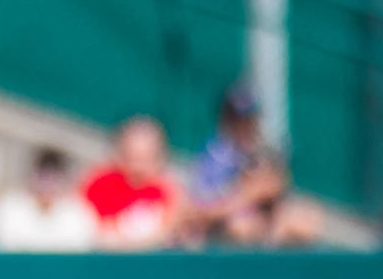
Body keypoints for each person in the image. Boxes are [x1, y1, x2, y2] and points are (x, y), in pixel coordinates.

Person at [182, 84, 321, 247]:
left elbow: (276, 185)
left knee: (304, 221)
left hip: (263, 219)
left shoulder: (262, 151)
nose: (244, 125)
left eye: (249, 119)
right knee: (241, 227)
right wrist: (249, 194)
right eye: (237, 119)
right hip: (226, 225)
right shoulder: (211, 158)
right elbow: (201, 209)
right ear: (225, 119)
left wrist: (262, 190)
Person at [81, 115, 180, 250]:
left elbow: (169, 230)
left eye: (146, 159)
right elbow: (89, 230)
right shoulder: (99, 184)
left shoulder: (167, 191)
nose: (137, 167)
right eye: (131, 157)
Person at [0, 147, 98, 252]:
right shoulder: (8, 208)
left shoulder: (77, 213)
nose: (47, 185)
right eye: (42, 176)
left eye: (53, 178)